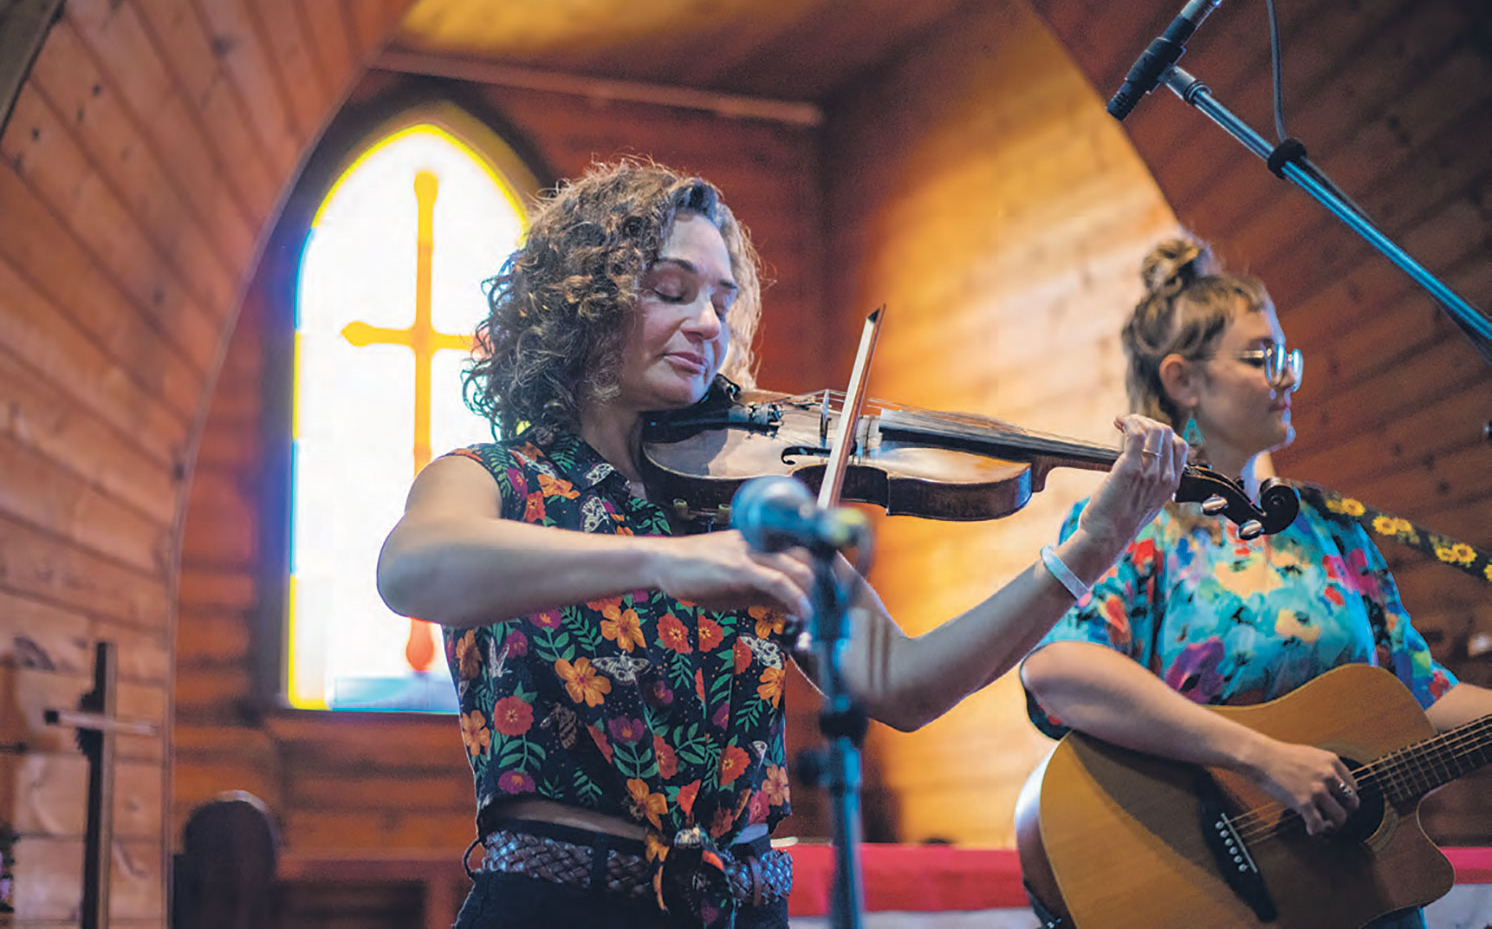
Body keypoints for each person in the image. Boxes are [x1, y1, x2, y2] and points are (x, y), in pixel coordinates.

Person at [377, 159, 1186, 929]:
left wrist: (1090, 548)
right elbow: (413, 568)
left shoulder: (738, 506)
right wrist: (666, 561)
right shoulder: (497, 479)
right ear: (583, 304)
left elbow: (902, 684)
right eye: (671, 291)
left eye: (723, 302)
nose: (709, 324)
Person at [1020, 236, 1492, 929]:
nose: (1287, 376)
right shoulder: (1137, 526)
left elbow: (1424, 694)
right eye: (1260, 357)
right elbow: (1058, 670)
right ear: (1184, 380)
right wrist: (1266, 758)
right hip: (1208, 895)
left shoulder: (1335, 532)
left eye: (1287, 356)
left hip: (1358, 896)